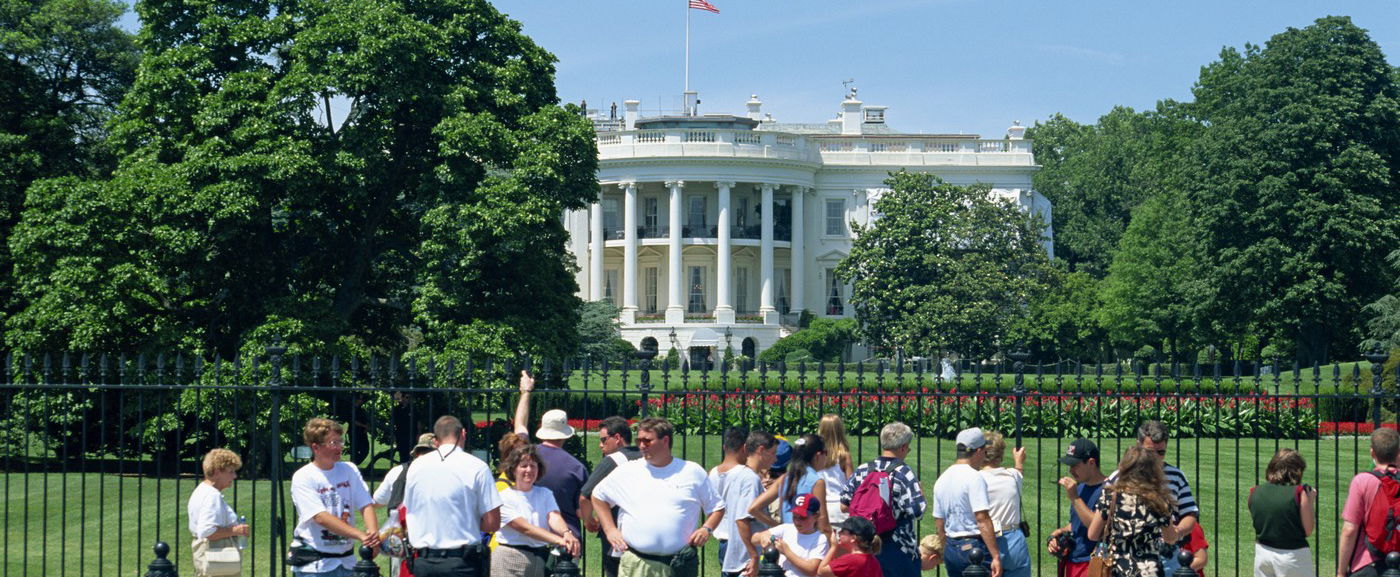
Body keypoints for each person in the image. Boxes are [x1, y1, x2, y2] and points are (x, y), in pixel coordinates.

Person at [591, 417, 726, 577]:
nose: (641, 445)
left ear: (665, 440)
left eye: (647, 441)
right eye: (638, 440)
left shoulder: (692, 471)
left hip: (679, 565)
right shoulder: (628, 471)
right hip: (636, 563)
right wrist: (610, 529)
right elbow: (598, 496)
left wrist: (706, 529)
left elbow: (717, 507)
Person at [404, 415, 503, 577]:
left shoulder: (416, 467)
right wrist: (466, 520)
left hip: (425, 561)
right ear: (463, 433)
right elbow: (492, 523)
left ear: (435, 440)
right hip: (462, 563)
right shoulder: (477, 467)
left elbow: (411, 510)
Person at [290, 418, 380, 577]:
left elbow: (365, 504)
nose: (339, 447)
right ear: (316, 447)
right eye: (333, 443)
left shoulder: (349, 470)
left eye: (340, 442)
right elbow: (320, 517)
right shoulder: (303, 476)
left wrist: (373, 537)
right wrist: (360, 535)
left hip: (346, 562)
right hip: (315, 566)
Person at [1110, 421, 1199, 574]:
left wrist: (1176, 532)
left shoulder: (1176, 476)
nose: (1156, 458)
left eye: (1161, 452)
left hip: (1166, 555)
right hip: (1127, 555)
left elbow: (1189, 514)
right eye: (1150, 452)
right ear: (1138, 445)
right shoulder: (1119, 478)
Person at [843, 422, 927, 577]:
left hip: (866, 543)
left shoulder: (863, 469)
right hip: (897, 544)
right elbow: (917, 511)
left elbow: (844, 503)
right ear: (903, 447)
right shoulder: (903, 473)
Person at [514, 370, 590, 539]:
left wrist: (526, 392)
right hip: (567, 537)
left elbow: (520, 425)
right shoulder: (577, 468)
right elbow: (580, 509)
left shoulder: (525, 456)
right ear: (566, 434)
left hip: (533, 535)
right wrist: (592, 521)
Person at [1088, 446, 1180, 577]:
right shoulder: (1159, 500)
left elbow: (1092, 534)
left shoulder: (1111, 496)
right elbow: (1170, 538)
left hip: (1116, 567)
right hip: (1148, 569)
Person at [493, 445, 582, 577]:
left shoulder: (545, 493)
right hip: (509, 560)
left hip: (538, 558)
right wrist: (559, 540)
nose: (529, 470)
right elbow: (525, 528)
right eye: (523, 466)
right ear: (513, 469)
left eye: (533, 466)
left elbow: (554, 516)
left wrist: (566, 533)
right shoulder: (503, 497)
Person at [931, 427, 1001, 577]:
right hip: (974, 548)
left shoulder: (942, 479)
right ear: (978, 451)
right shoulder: (974, 477)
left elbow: (939, 524)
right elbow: (982, 519)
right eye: (984, 452)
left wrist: (945, 549)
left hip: (951, 547)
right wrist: (995, 555)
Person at [581, 416, 643, 577]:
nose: (600, 445)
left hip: (616, 533)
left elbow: (585, 495)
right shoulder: (646, 458)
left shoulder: (612, 461)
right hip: (645, 532)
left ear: (617, 438)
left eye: (603, 440)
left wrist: (588, 520)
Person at [373, 433, 438, 577]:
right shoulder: (441, 473)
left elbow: (377, 501)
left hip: (400, 536)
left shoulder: (398, 471)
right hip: (432, 537)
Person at [1339, 428, 1399, 577]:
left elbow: (1349, 529)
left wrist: (1340, 572)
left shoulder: (1362, 481)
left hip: (1368, 562)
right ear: (1398, 452)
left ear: (1372, 452)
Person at [1250, 448, 1316, 577]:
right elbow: (1308, 530)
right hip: (1292, 555)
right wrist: (1310, 500)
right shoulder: (1298, 492)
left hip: (1262, 552)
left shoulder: (1255, 492)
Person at [1047, 439, 1108, 577]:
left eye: (1075, 465)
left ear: (1091, 462)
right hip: (1072, 561)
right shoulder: (1080, 488)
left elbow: (1097, 529)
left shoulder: (1108, 491)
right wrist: (1060, 532)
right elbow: (1077, 522)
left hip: (1093, 563)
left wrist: (1075, 498)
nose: (1070, 470)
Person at [723, 430, 779, 577]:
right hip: (746, 562)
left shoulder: (738, 474)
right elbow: (742, 519)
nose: (775, 459)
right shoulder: (750, 480)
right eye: (773, 453)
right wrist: (754, 555)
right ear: (761, 450)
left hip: (739, 560)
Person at [752, 434, 832, 534]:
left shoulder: (785, 478)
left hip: (786, 539)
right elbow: (822, 520)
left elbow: (754, 508)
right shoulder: (817, 482)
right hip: (808, 540)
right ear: (818, 455)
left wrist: (778, 526)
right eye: (826, 453)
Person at [188, 448, 250, 577]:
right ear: (217, 472)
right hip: (217, 555)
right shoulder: (212, 496)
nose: (234, 476)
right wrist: (235, 531)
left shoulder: (201, 491)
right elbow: (207, 531)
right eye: (230, 472)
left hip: (207, 554)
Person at [979, 432, 1029, 577]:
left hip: (987, 538)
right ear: (1000, 455)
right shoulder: (1013, 476)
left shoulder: (976, 479)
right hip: (1014, 537)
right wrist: (1018, 460)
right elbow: (1019, 470)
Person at [752, 493, 831, 577]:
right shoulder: (786, 529)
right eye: (795, 517)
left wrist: (787, 552)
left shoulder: (820, 539)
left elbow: (812, 570)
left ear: (816, 516)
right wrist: (764, 537)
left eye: (803, 518)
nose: (797, 522)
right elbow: (754, 538)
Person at [712, 426, 752, 565]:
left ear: (724, 447)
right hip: (741, 541)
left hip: (723, 539)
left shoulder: (712, 473)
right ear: (745, 448)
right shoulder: (745, 474)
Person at [817, 516, 884, 577]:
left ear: (853, 538)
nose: (839, 533)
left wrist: (833, 547)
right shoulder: (874, 560)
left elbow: (821, 571)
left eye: (842, 531)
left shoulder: (850, 560)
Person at [818, 415, 855, 524]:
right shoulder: (844, 456)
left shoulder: (816, 456)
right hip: (840, 506)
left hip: (820, 505)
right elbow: (851, 484)